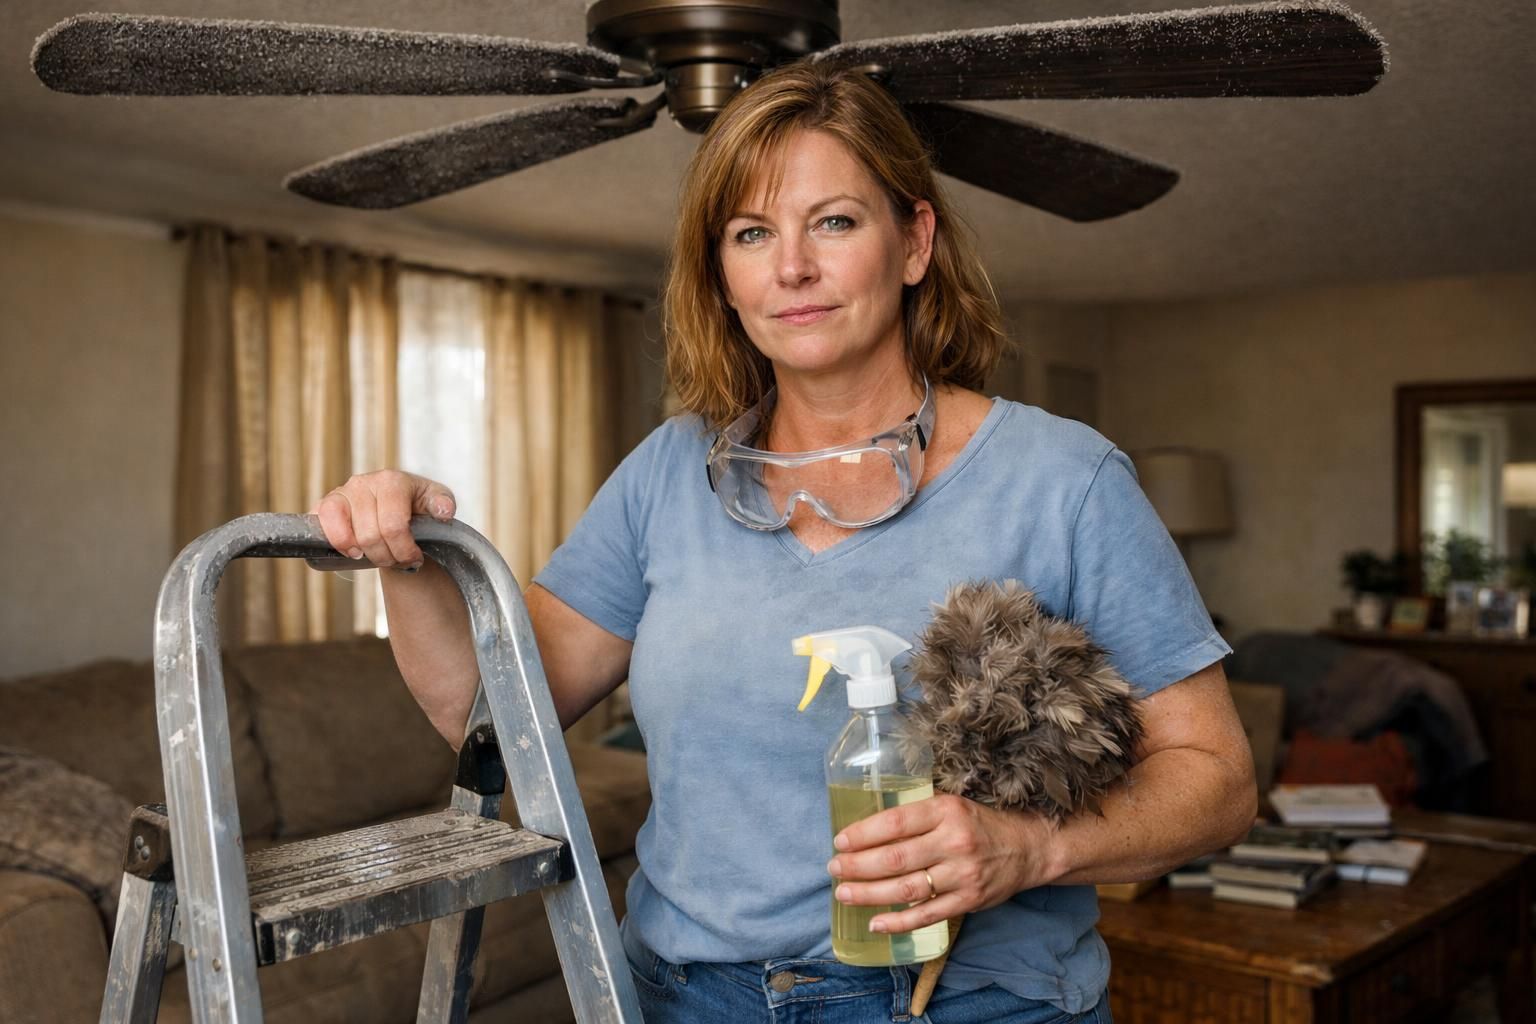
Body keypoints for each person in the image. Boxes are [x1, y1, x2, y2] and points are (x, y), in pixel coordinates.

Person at [315, 61, 1256, 1024]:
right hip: (683, 997)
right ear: (723, 273)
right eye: (752, 234)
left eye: (835, 222)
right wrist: (410, 554)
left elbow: (1216, 780)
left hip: (971, 1001)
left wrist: (1030, 848)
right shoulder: (667, 471)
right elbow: (489, 714)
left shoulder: (1064, 477)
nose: (792, 268)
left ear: (915, 241)